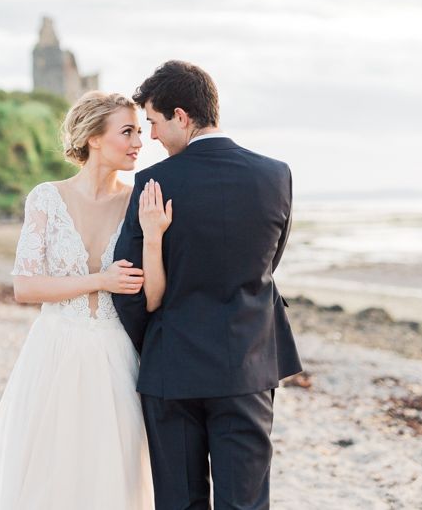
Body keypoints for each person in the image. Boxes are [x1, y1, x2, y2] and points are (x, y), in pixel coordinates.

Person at [113, 61, 303, 510]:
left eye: (154, 123)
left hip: (172, 366)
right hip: (247, 363)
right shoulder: (275, 175)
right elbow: (268, 263)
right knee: (246, 502)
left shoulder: (152, 183)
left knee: (179, 502)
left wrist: (152, 341)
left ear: (181, 116)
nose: (152, 137)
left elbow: (131, 286)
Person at [0, 91, 164, 509]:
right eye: (127, 131)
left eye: (140, 132)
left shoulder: (137, 202)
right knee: (47, 474)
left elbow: (152, 295)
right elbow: (26, 287)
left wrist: (156, 235)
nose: (138, 143)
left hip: (115, 354)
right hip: (54, 350)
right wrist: (101, 279)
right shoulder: (46, 197)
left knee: (113, 475)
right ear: (93, 137)